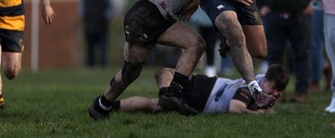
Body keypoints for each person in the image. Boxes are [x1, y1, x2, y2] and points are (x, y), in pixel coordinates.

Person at [88, 0, 262, 120]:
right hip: (145, 15)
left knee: (196, 44)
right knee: (130, 73)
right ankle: (102, 105)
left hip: (164, 18)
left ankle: (172, 95)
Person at [112, 64, 289, 115]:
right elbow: (235, 108)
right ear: (265, 80)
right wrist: (260, 113)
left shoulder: (259, 79)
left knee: (155, 100)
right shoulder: (253, 88)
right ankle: (166, 96)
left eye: (278, 92)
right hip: (205, 90)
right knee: (164, 73)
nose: (275, 94)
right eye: (273, 88)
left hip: (205, 92)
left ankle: (112, 107)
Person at [79, 0, 116, 67]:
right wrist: (84, 15)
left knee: (103, 47)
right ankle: (90, 64)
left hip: (102, 25)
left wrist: (106, 16)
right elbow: (82, 7)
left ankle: (103, 64)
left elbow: (112, 7)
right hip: (89, 24)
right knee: (90, 47)